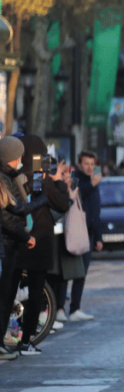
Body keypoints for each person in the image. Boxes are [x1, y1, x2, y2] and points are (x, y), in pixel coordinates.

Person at [15, 135, 72, 356]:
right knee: (35, 292)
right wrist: (58, 181)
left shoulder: (17, 178)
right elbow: (62, 204)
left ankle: (14, 334)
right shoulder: (42, 179)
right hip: (38, 243)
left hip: (20, 239)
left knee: (14, 288)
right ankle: (26, 339)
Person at [0, 137, 39, 360]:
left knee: (5, 297)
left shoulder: (10, 177)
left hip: (9, 244)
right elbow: (10, 215)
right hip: (6, 245)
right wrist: (25, 235)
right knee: (3, 298)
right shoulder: (4, 180)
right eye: (19, 156)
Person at [60, 151, 103, 323]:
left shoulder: (94, 182)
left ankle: (75, 308)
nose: (89, 167)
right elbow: (75, 198)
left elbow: (96, 211)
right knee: (66, 271)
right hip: (74, 231)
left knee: (81, 273)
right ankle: (59, 308)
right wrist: (91, 184)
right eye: (86, 163)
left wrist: (99, 237)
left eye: (92, 164)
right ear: (79, 164)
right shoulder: (75, 179)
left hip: (89, 234)